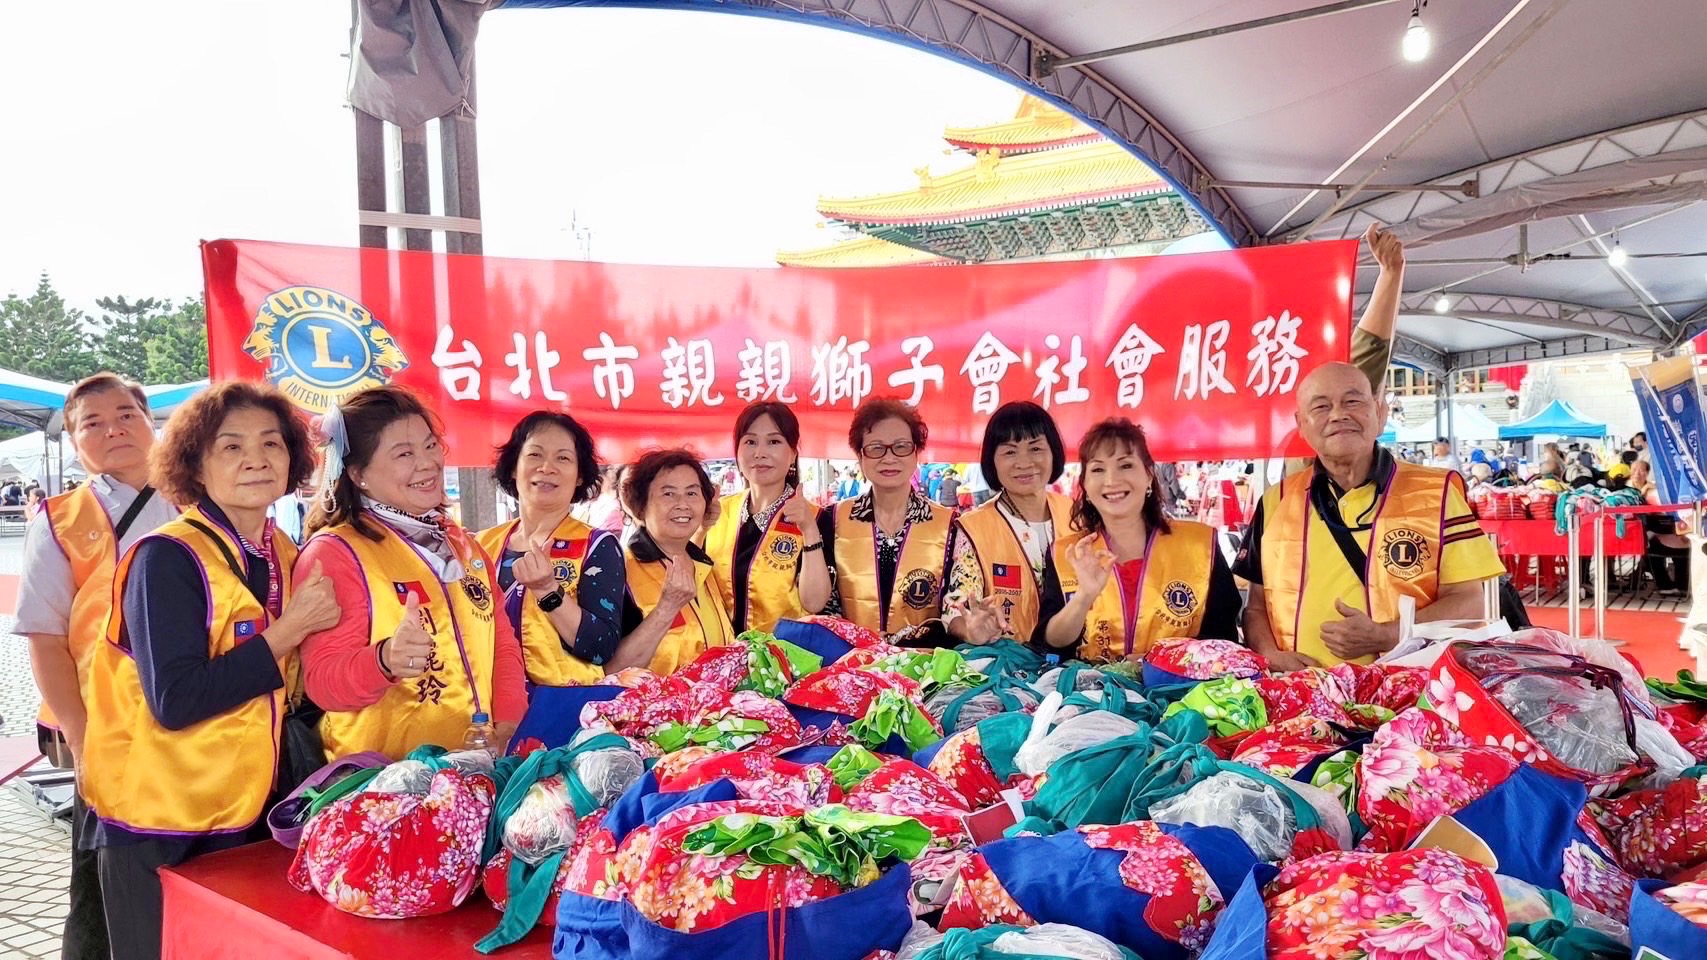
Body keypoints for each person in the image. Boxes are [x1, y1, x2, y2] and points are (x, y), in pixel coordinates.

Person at [81, 382, 332, 960]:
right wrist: (288, 631)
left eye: (272, 443)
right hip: (157, 822)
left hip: (248, 815)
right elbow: (176, 698)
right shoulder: (165, 556)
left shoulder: (285, 554)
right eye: (232, 447)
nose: (256, 459)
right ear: (195, 465)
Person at [18, 374, 179, 960]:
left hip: (196, 712)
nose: (113, 429)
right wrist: (84, 742)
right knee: (100, 873)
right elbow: (45, 639)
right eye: (93, 422)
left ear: (150, 423)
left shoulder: (198, 498)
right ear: (74, 439)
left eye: (126, 414)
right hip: (104, 724)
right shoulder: (59, 519)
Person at [297, 386, 527, 760]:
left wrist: (509, 726)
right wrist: (384, 660)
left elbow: (501, 644)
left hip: (475, 770)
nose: (427, 463)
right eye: (405, 454)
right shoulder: (336, 553)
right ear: (359, 474)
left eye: (430, 446)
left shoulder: (463, 545)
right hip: (384, 780)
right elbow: (322, 683)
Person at [1236, 362, 1506, 670]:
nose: (1338, 414)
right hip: (1301, 690)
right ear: (1301, 423)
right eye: (1321, 406)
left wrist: (1386, 635)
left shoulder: (1437, 493)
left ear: (1380, 412)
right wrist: (1271, 656)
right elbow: (1255, 607)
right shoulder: (1276, 500)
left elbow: (1469, 603)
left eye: (1352, 401)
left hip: (1406, 688)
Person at [1036, 418, 1241, 661]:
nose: (1112, 480)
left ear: (1149, 476)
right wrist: (1083, 598)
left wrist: (1156, 661)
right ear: (1086, 486)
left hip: (1180, 685)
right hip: (1092, 685)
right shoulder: (1069, 554)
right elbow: (1053, 642)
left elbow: (1224, 641)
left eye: (1125, 465)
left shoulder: (1200, 546)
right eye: (1098, 469)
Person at [475, 412, 625, 686]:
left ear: (580, 476)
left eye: (563, 458)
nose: (547, 467)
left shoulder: (597, 545)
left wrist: (548, 591)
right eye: (535, 455)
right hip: (486, 701)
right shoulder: (481, 545)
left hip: (559, 704)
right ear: (513, 467)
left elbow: (601, 647)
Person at [813, 397, 955, 645]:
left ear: (916, 452)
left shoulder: (950, 525)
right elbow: (825, 607)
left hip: (926, 662)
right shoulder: (831, 520)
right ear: (860, 457)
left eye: (901, 446)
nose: (889, 458)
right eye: (876, 448)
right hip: (849, 660)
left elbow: (953, 609)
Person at [945, 401, 1075, 646]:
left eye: (1035, 448)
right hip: (1007, 662)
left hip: (1079, 662)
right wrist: (970, 629)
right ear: (991, 460)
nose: (1024, 463)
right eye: (1010, 452)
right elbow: (957, 605)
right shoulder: (974, 527)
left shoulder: (1077, 516)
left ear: (1053, 452)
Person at [702, 402, 830, 634]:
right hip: (720, 652)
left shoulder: (816, 517)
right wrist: (700, 529)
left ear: (793, 454)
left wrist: (809, 530)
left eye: (774, 442)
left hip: (784, 653)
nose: (760, 453)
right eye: (750, 442)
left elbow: (814, 603)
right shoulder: (718, 512)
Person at [614, 449, 735, 673]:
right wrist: (666, 608)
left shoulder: (703, 565)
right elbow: (611, 671)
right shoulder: (621, 572)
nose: (682, 504)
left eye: (692, 493)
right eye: (668, 494)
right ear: (640, 506)